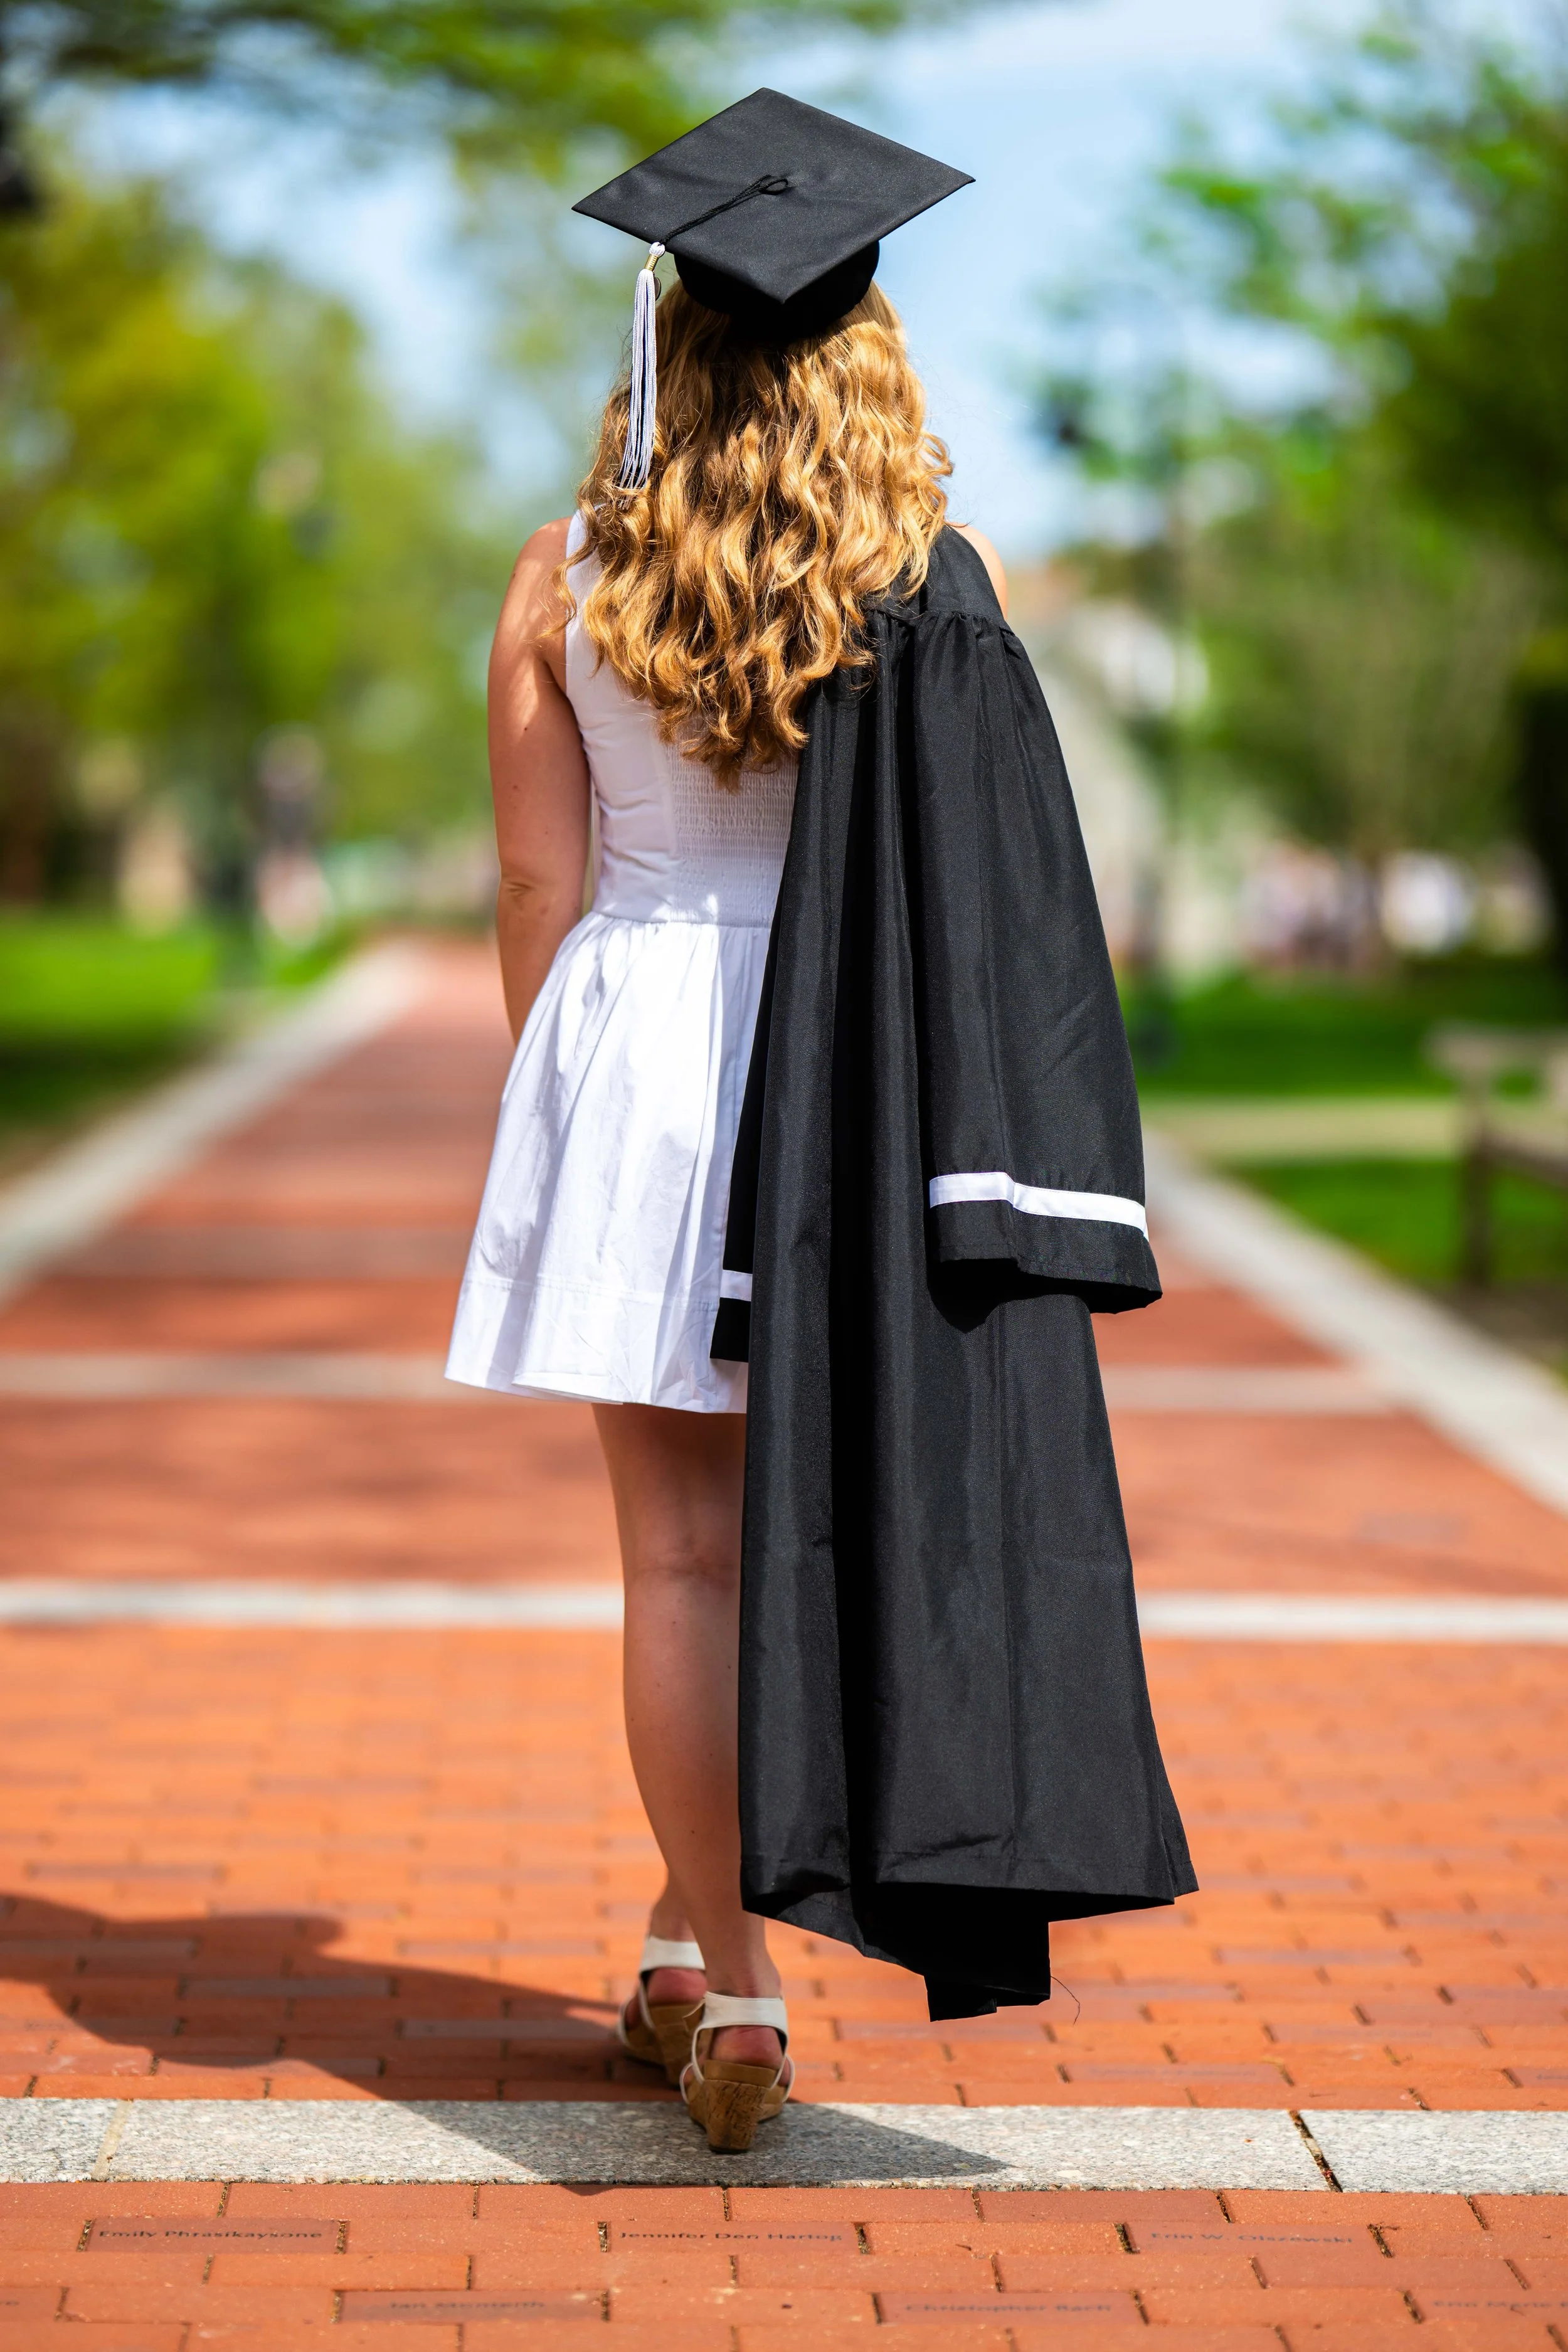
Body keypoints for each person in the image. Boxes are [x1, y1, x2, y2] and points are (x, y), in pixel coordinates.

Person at [449, 90, 1193, 2156]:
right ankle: (709, 1950)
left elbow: (537, 886)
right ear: (865, 349)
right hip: (853, 1069)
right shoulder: (927, 578)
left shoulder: (563, 567)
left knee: (681, 1558)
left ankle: (730, 1975)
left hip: (639, 1034)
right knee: (813, 1524)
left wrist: (566, 1087)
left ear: (669, 342)